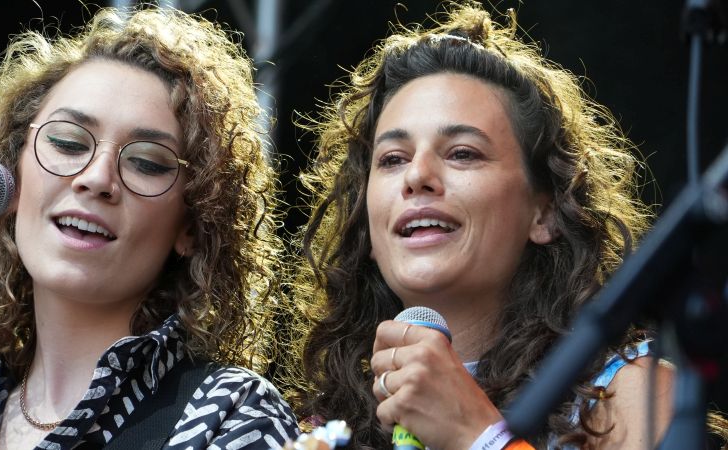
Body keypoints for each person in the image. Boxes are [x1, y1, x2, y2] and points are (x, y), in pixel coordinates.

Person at [281, 2, 678, 449]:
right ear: (366, 226)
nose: (417, 175)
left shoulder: (632, 397)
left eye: (462, 153)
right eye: (392, 159)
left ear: (545, 213)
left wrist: (479, 435)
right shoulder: (321, 429)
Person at [0, 5, 298, 449]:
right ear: (11, 176)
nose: (97, 178)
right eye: (67, 142)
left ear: (192, 224)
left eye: (146, 163)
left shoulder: (231, 415)